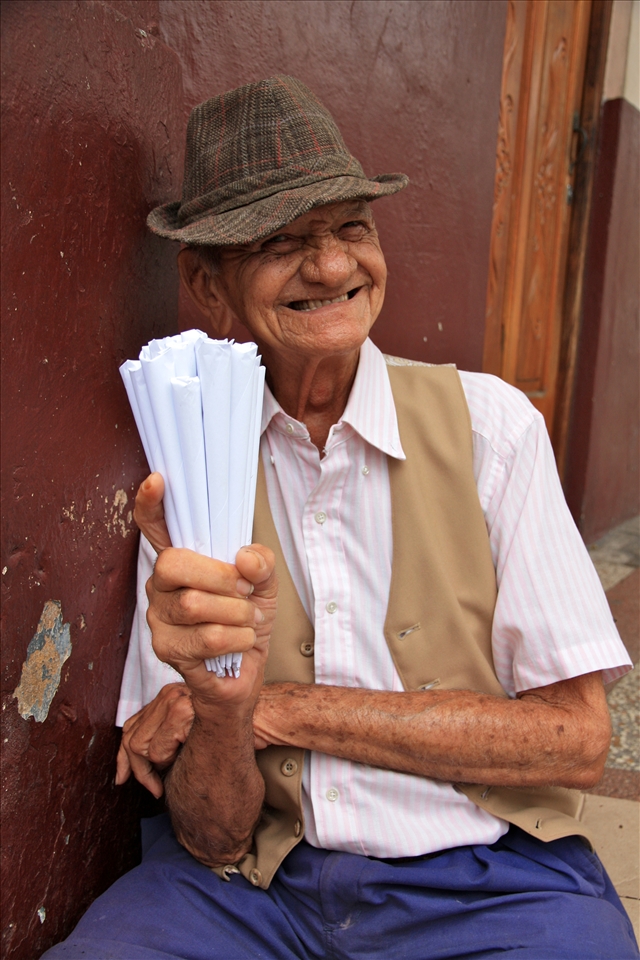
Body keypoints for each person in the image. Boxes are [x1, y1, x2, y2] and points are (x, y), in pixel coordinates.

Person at [43, 75, 637, 960]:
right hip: (249, 889)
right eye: (283, 241)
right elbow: (210, 837)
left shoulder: (492, 429)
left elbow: (575, 741)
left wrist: (276, 708)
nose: (331, 267)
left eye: (352, 228)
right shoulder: (190, 473)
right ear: (208, 285)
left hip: (485, 880)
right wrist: (219, 709)